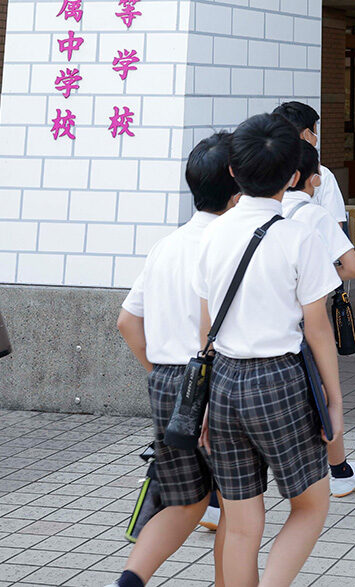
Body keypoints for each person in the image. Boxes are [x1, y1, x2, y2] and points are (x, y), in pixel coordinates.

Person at [193, 113, 342, 587]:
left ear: (233, 172)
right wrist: (334, 400)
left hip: (224, 382)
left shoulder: (210, 234)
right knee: (311, 503)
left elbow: (205, 327)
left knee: (240, 524)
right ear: (294, 177)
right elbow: (318, 330)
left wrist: (205, 400)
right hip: (280, 381)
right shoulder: (300, 237)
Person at [111, 133, 237, 587]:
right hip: (219, 382)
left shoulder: (168, 245)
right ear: (237, 183)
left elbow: (127, 321)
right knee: (236, 505)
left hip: (167, 381)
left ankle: (127, 582)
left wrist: (161, 375)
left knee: (183, 499)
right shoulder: (231, 244)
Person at [283, 142, 355, 498]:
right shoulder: (315, 216)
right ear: (314, 179)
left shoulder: (261, 213)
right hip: (310, 321)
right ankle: (338, 472)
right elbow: (354, 266)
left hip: (268, 321)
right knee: (324, 394)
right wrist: (321, 269)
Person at [272, 101, 347, 233]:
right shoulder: (321, 174)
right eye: (315, 132)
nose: (316, 139)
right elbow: (336, 228)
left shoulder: (263, 169)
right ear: (307, 134)